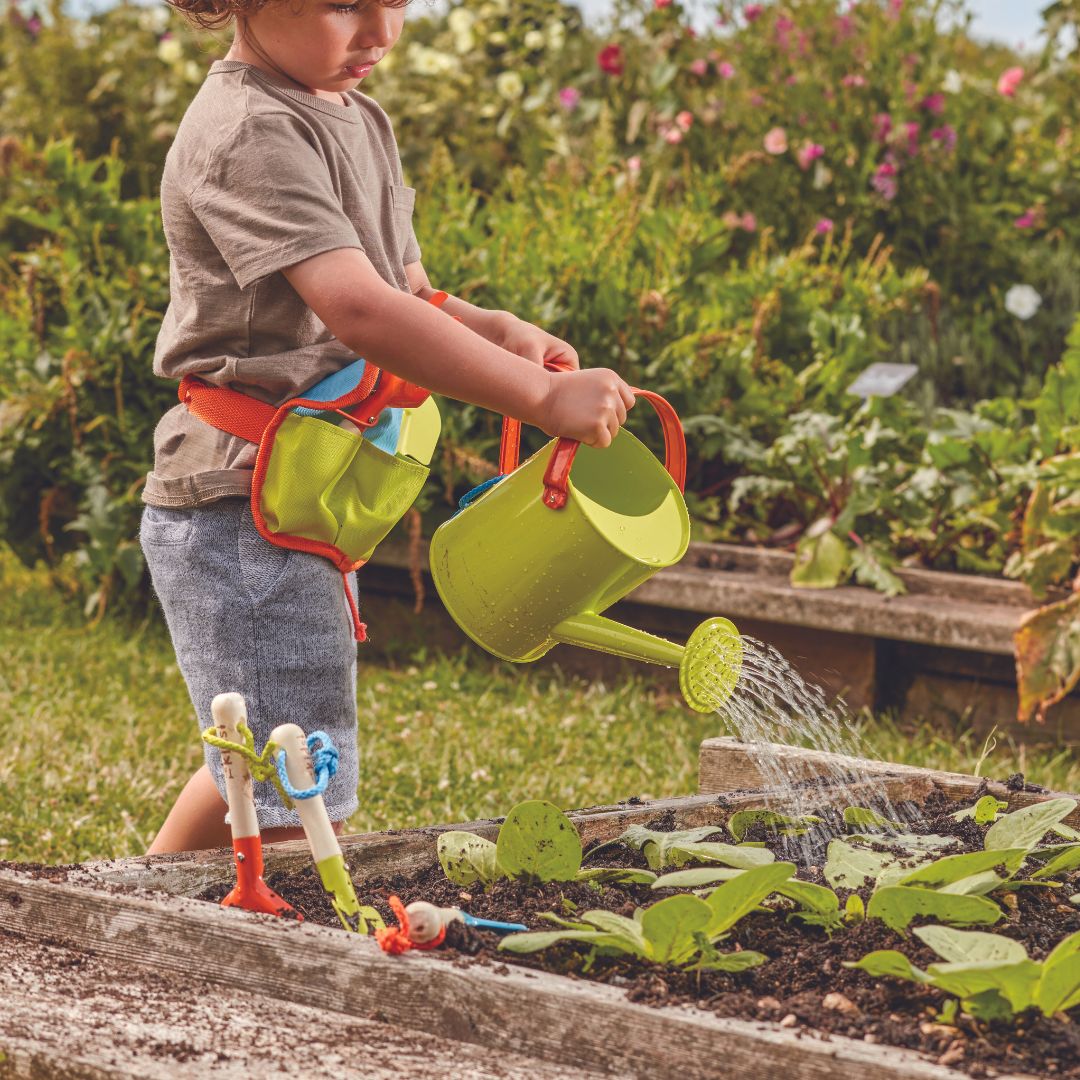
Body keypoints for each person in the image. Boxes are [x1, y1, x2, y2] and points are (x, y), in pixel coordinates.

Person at [140, 0, 635, 854]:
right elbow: (360, 310)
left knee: (269, 750)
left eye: (396, 1)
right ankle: (227, 941)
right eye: (344, 5)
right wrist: (540, 398)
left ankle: (131, 905)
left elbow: (404, 290)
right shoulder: (248, 131)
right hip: (241, 503)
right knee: (301, 775)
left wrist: (496, 328)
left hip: (306, 492)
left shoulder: (353, 112)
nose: (380, 33)